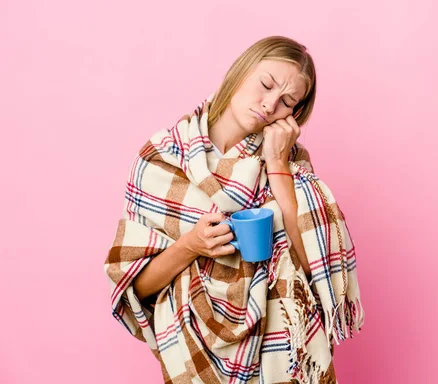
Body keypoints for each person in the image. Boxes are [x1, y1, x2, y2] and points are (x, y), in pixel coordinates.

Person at [104, 36, 364, 384]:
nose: (270, 105)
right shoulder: (162, 157)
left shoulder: (291, 162)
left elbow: (315, 265)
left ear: (294, 113)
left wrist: (276, 163)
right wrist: (191, 245)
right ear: (241, 71)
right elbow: (137, 287)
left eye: (287, 101)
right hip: (191, 349)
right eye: (266, 84)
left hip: (283, 356)